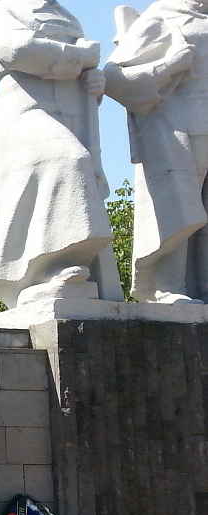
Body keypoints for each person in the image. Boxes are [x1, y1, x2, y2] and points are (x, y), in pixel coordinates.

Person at [0, 0, 122, 308]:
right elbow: (20, 51)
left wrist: (93, 83)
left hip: (73, 115)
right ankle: (47, 270)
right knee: (69, 162)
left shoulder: (66, 16)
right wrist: (81, 57)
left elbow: (79, 73)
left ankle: (66, 272)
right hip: (26, 112)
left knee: (79, 175)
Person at [105, 1, 208, 303]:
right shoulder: (161, 18)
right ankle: (168, 287)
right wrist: (169, 66)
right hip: (176, 128)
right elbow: (114, 78)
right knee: (177, 209)